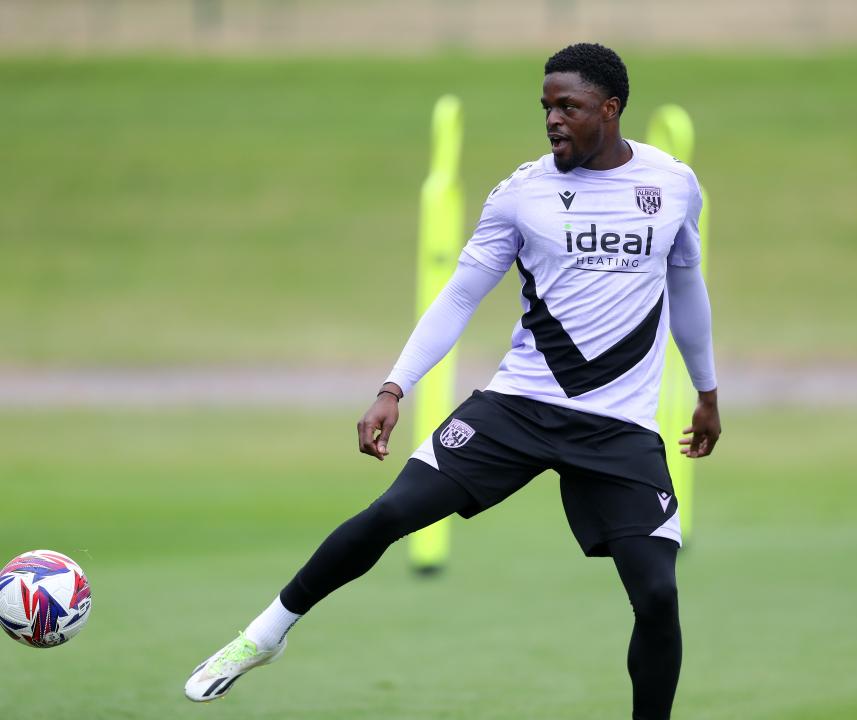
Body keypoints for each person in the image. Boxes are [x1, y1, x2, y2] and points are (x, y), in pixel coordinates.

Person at [185, 42, 721, 720]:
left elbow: (685, 284)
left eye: (570, 107)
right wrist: (393, 386)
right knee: (390, 515)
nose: (553, 119)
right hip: (519, 407)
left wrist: (706, 392)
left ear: (610, 109)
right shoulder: (522, 194)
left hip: (619, 427)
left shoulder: (672, 185)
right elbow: (460, 296)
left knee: (657, 596)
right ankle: (262, 635)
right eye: (546, 107)